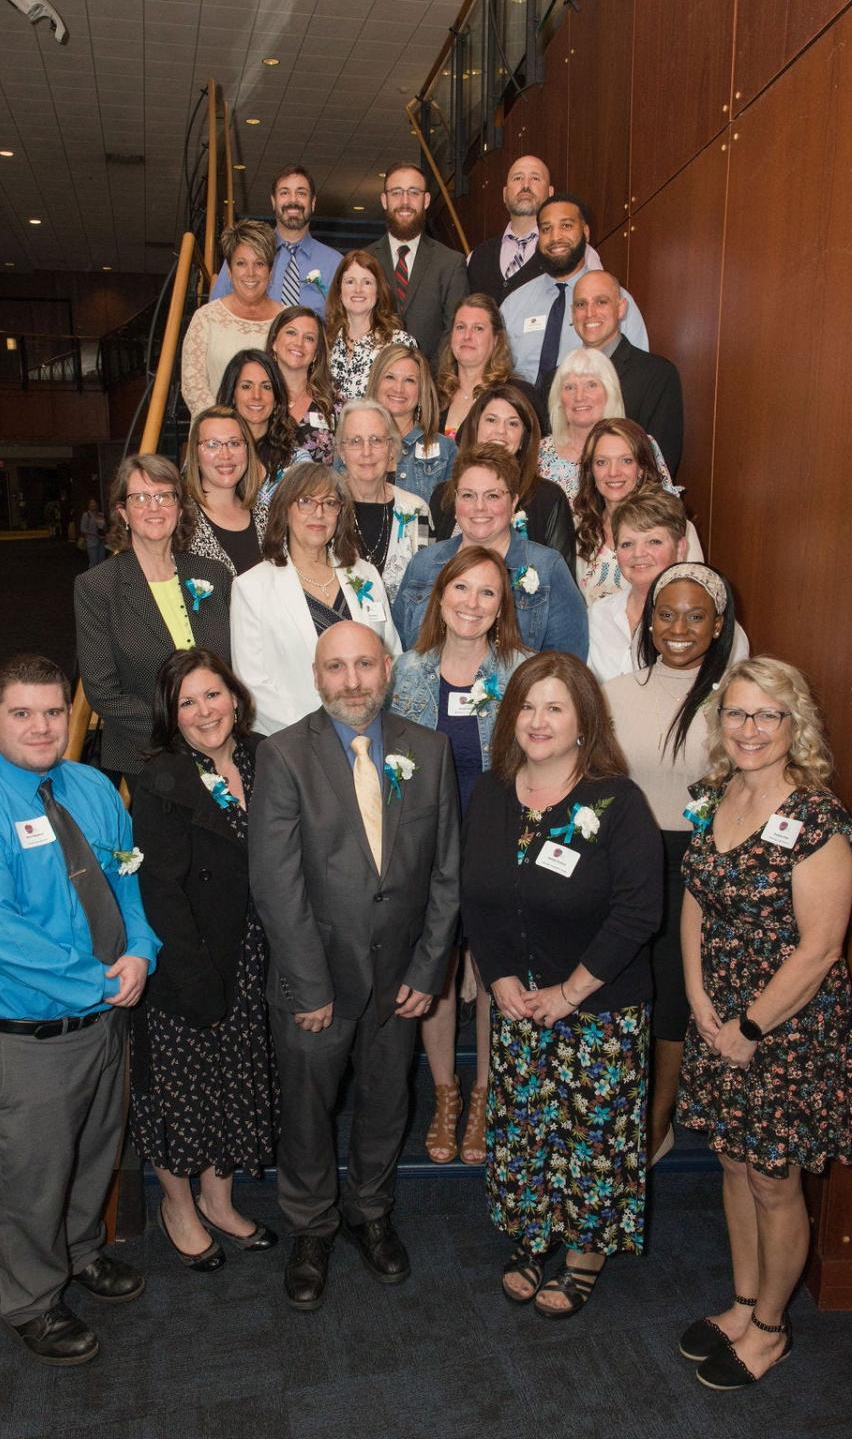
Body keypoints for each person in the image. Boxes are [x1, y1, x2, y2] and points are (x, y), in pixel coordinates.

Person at [0, 655, 159, 1365]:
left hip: (103, 1022)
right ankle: (31, 1297)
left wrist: (142, 952)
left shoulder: (91, 787)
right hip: (23, 1038)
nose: (41, 726)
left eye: (54, 712)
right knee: (31, 1175)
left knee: (95, 1153)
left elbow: (129, 880)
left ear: (72, 715)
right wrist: (95, 980)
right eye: (22, 713)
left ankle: (81, 1251)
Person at [250, 621, 460, 1309]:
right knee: (307, 1111)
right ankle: (312, 1224)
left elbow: (446, 874)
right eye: (335, 667)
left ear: (388, 669)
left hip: (401, 979)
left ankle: (371, 1211)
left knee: (387, 1100)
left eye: (364, 665)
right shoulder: (283, 756)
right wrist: (310, 984)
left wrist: (429, 971)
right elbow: (277, 886)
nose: (352, 681)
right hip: (317, 982)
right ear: (316, 676)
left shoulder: (428, 751)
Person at [674, 657, 852, 1389]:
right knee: (731, 1160)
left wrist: (747, 1031)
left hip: (785, 1030)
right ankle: (744, 1301)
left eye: (766, 715)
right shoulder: (715, 796)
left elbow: (820, 950)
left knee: (773, 1179)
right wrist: (695, 994)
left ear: (794, 725)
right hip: (718, 1016)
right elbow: (695, 895)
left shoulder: (818, 821)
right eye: (737, 714)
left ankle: (772, 1329)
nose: (749, 729)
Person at [461, 652, 662, 1317]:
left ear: (583, 722)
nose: (537, 720)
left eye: (555, 707)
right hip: (519, 1001)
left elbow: (640, 911)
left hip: (599, 1004)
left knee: (594, 1136)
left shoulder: (617, 801)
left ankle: (584, 1252)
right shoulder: (492, 792)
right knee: (525, 1126)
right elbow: (477, 897)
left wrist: (570, 992)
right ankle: (532, 1233)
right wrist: (498, 976)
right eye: (526, 705)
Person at [130, 649, 277, 1271]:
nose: (203, 711)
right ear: (172, 716)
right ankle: (179, 1207)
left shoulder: (264, 757)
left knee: (232, 1084)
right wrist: (195, 978)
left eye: (212, 695)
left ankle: (218, 1200)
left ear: (235, 698)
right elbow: (159, 892)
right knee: (181, 1092)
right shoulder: (161, 778)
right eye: (186, 702)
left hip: (251, 953)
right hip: (187, 959)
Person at [388, 546, 529, 1167]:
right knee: (438, 972)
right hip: (429, 851)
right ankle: (445, 1092)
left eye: (487, 593)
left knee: (496, 975)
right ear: (439, 596)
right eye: (461, 589)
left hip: (501, 850)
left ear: (502, 608)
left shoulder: (523, 672)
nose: (472, 604)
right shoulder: (406, 671)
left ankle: (484, 1094)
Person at [604, 562, 743, 1165]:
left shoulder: (737, 702)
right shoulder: (612, 693)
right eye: (666, 613)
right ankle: (615, 1112)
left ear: (718, 627)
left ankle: (656, 1123)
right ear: (648, 619)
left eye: (695, 616)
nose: (679, 628)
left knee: (672, 1005)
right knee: (618, 990)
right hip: (624, 860)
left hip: (698, 865)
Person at [75, 453, 232, 781]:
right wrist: (182, 730)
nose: (154, 507)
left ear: (178, 508)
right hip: (151, 758)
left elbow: (238, 665)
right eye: (140, 497)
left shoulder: (213, 575)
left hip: (224, 747)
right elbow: (103, 691)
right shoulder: (98, 587)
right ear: (123, 512)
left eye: (164, 496)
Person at [230, 461, 400, 735]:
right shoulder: (251, 588)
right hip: (295, 741)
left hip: (371, 730)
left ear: (340, 513)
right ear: (285, 509)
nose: (318, 513)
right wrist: (320, 736)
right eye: (306, 501)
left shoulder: (366, 574)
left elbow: (390, 654)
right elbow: (252, 684)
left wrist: (371, 725)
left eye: (330, 502)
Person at [393, 444, 588, 658]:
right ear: (455, 500)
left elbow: (567, 664)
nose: (479, 507)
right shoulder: (424, 564)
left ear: (513, 502)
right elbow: (401, 651)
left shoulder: (547, 568)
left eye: (492, 496)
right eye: (468, 495)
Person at [591, 495, 750, 683]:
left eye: (654, 541)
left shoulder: (716, 625)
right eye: (627, 544)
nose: (638, 553)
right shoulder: (597, 615)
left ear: (681, 548)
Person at [500, 196, 648, 387]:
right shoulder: (513, 304)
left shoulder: (616, 301)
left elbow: (638, 375)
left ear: (585, 232)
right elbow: (497, 375)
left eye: (566, 226)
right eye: (546, 229)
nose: (555, 237)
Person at [432, 384, 576, 572]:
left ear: (524, 438)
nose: (500, 431)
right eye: (491, 420)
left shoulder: (548, 498)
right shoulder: (443, 495)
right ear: (475, 427)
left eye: (512, 423)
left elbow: (561, 577)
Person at [573, 418, 702, 605]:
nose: (613, 472)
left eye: (626, 461)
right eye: (602, 462)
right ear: (591, 471)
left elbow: (696, 599)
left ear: (641, 468)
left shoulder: (679, 528)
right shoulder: (578, 529)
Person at [569, 269, 684, 475]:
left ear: (621, 308)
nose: (589, 312)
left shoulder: (657, 375)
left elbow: (659, 465)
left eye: (601, 302)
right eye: (581, 304)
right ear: (572, 313)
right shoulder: (556, 379)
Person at [538, 347, 676, 501]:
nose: (579, 396)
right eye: (569, 387)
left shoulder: (641, 445)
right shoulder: (538, 455)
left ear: (610, 393)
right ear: (558, 399)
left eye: (591, 385)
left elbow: (666, 515)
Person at [367, 162, 470, 361]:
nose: (405, 201)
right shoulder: (364, 261)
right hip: (372, 385)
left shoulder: (450, 263)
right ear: (384, 200)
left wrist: (428, 384)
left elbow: (455, 332)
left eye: (414, 192)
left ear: (426, 200)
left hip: (432, 385)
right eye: (396, 192)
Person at [181, 220, 283, 415]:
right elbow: (193, 386)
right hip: (218, 435)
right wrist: (227, 428)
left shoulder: (288, 320)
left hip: (272, 436)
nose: (250, 273)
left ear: (271, 271)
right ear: (229, 270)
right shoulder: (206, 318)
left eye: (259, 263)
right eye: (241, 263)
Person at [209, 164, 341, 315]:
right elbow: (216, 313)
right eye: (284, 193)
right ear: (273, 201)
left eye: (301, 193)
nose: (293, 200)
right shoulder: (243, 254)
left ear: (313, 202)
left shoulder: (335, 264)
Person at [333, 397, 431, 601]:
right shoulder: (325, 509)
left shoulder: (417, 511)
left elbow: (429, 582)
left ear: (392, 449)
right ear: (342, 451)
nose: (366, 452)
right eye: (355, 441)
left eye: (376, 440)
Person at [465, 155, 596, 303]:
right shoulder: (476, 257)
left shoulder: (580, 253)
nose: (525, 185)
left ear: (550, 192)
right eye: (517, 178)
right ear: (504, 194)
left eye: (535, 178)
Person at [436, 293, 547, 439]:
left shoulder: (519, 394)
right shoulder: (436, 394)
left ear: (496, 339)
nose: (467, 336)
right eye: (460, 327)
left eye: (478, 328)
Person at [214, 349, 299, 534]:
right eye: (246, 386)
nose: (256, 396)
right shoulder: (208, 452)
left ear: (277, 398)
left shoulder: (297, 461)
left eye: (266, 387)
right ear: (232, 394)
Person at [366, 342, 457, 506]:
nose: (398, 388)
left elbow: (451, 520)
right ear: (375, 383)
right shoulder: (351, 443)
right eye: (390, 377)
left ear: (421, 390)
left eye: (409, 380)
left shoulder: (446, 451)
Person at [325, 248, 417, 403]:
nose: (358, 289)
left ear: (379, 291)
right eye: (350, 282)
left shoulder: (399, 343)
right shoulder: (325, 342)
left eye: (367, 282)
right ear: (339, 291)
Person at [184, 404, 263, 577]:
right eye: (212, 444)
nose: (225, 455)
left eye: (234, 443)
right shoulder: (179, 519)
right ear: (195, 454)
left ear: (247, 450)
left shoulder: (267, 515)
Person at [267, 305, 336, 464]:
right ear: (274, 342)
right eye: (291, 332)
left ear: (316, 353)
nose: (299, 343)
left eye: (309, 338)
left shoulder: (334, 405)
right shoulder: (255, 398)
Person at [79, 497, 106, 566]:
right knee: (93, 562)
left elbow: (104, 527)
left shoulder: (101, 514)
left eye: (94, 503)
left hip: (101, 541)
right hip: (91, 541)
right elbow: (82, 528)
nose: (93, 504)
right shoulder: (86, 515)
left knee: (102, 562)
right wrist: (93, 534)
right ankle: (93, 576)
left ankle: (102, 576)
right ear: (88, 505)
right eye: (91, 503)